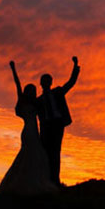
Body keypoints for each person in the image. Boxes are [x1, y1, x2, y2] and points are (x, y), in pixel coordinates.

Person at [0, 61, 57, 195]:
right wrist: (13, 69)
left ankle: (32, 181)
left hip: (34, 131)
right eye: (30, 90)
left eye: (33, 90)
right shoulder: (24, 101)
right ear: (27, 91)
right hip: (29, 131)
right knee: (31, 154)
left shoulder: (36, 103)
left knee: (35, 155)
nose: (32, 92)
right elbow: (17, 83)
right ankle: (26, 184)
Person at [37, 56, 80, 187]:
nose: (46, 82)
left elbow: (71, 82)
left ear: (50, 82)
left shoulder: (58, 92)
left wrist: (75, 66)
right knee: (45, 153)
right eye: (43, 81)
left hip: (57, 124)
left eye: (47, 80)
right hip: (45, 127)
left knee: (55, 152)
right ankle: (46, 180)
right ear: (41, 83)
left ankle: (55, 181)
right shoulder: (39, 100)